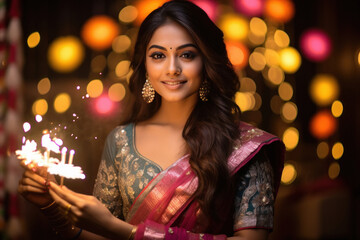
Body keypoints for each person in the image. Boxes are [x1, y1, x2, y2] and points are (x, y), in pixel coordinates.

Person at [18, 1, 284, 239]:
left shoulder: (246, 148)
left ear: (207, 61)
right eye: (158, 55)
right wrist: (51, 206)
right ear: (144, 64)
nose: (172, 68)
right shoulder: (121, 141)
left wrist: (126, 232)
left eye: (187, 55)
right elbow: (101, 233)